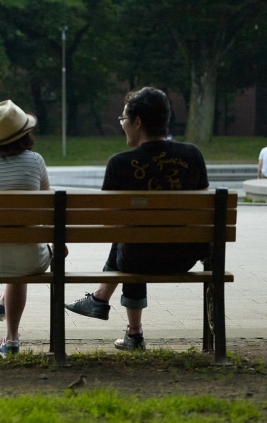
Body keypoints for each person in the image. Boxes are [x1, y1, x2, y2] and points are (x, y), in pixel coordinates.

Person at [64, 87, 210, 350]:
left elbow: (108, 223)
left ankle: (105, 304)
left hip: (138, 258)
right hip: (185, 256)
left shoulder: (120, 163)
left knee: (133, 238)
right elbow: (203, 211)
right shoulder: (192, 154)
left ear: (138, 122)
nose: (122, 125)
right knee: (135, 236)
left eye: (123, 119)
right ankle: (126, 328)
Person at [0, 99, 50, 358]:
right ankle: (12, 337)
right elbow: (48, 210)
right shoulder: (35, 161)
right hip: (28, 260)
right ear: (25, 133)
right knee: (21, 258)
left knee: (11, 249)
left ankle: (4, 304)